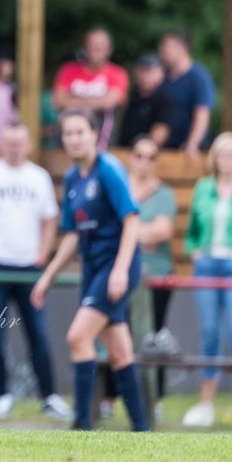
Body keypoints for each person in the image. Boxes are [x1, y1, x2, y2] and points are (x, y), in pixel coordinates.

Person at [31, 110, 148, 431]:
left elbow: (131, 220)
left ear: (95, 135)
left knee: (77, 337)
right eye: (68, 134)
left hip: (115, 265)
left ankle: (82, 425)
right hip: (93, 267)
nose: (74, 139)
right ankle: (142, 429)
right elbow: (73, 233)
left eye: (80, 132)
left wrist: (121, 271)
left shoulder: (109, 170)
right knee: (119, 351)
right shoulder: (72, 178)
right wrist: (49, 275)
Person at [0, 124, 71, 421]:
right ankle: (1, 397)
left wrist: (42, 254)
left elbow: (49, 220)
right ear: (0, 144)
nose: (14, 148)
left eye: (19, 143)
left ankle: (49, 396)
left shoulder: (38, 177)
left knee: (38, 334)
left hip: (29, 268)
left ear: (28, 145)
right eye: (9, 142)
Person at [180, 132, 232, 428]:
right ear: (214, 157)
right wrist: (193, 252)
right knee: (209, 332)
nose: (227, 159)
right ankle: (205, 403)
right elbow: (192, 231)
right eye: (222, 153)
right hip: (208, 265)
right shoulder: (204, 187)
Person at [125, 135, 178, 409]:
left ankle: (154, 399)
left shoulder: (164, 193)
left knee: (154, 339)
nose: (144, 162)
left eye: (151, 157)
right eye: (139, 155)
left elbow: (162, 232)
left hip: (157, 276)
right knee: (118, 334)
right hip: (122, 274)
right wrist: (142, 233)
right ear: (131, 158)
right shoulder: (121, 188)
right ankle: (112, 397)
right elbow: (148, 231)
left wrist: (128, 232)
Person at [53, 27, 128, 150]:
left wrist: (73, 101)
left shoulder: (117, 73)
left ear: (109, 49)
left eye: (99, 46)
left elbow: (110, 102)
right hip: (67, 140)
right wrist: (97, 102)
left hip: (101, 142)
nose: (94, 49)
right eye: (91, 45)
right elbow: (58, 101)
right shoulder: (68, 70)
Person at [158, 29, 216, 159]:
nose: (162, 51)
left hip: (187, 151)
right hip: (163, 149)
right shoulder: (162, 77)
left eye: (167, 47)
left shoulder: (198, 77)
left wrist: (192, 143)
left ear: (183, 48)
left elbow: (202, 113)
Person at [117, 54, 173, 148]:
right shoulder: (131, 97)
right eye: (141, 70)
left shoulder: (164, 100)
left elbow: (160, 132)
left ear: (161, 74)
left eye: (149, 71)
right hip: (124, 150)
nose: (145, 76)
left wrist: (144, 151)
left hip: (147, 155)